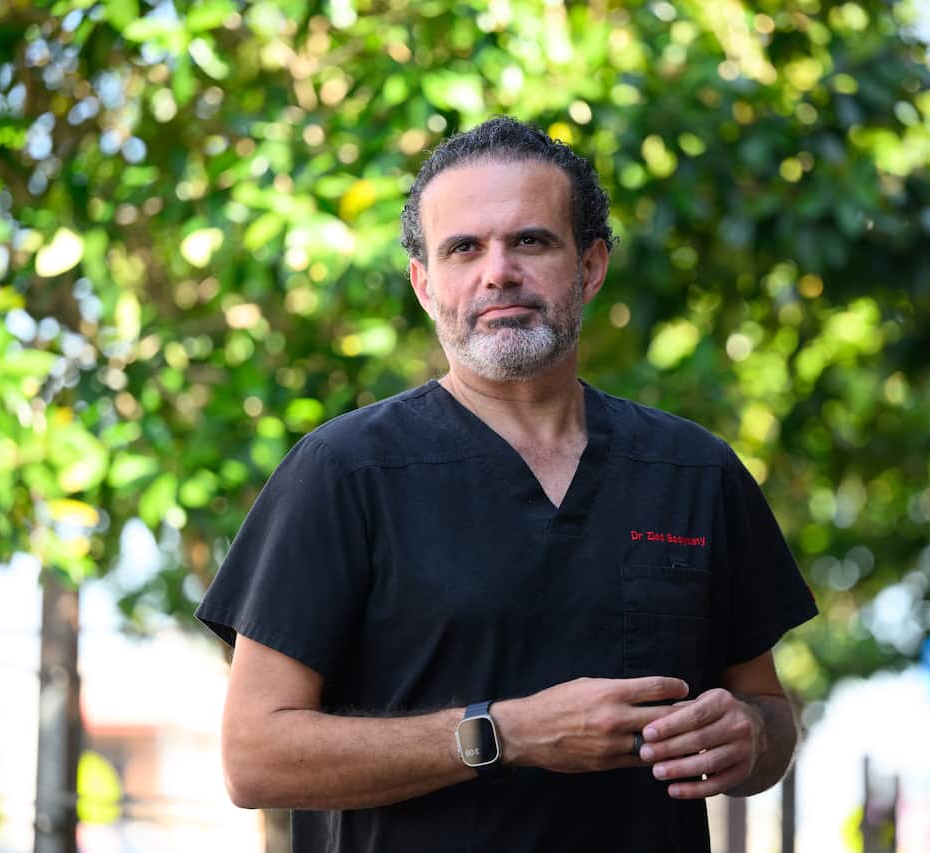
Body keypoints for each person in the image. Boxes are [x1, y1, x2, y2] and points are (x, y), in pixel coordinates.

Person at [196, 116, 818, 852]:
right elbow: (254, 758)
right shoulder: (344, 474)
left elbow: (769, 714)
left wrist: (748, 735)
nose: (497, 272)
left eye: (530, 240)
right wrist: (504, 733)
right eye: (463, 248)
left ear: (590, 266)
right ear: (426, 286)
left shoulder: (695, 473)